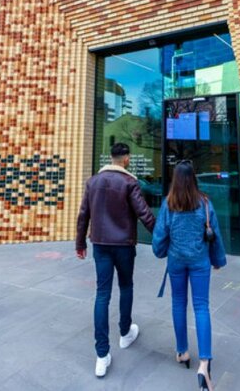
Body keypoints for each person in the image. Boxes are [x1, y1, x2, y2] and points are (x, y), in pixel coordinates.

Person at [76, 143, 156, 378]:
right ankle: (125, 333)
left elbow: (83, 215)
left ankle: (102, 356)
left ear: (111, 158)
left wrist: (80, 244)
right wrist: (162, 238)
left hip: (100, 245)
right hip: (123, 245)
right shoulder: (129, 182)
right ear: (126, 159)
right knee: (126, 286)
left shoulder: (93, 182)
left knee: (102, 295)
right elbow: (145, 214)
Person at [152, 160, 226, 391]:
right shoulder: (204, 202)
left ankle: (182, 351)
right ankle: (204, 363)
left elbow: (160, 235)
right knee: (202, 307)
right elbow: (214, 233)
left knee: (178, 304)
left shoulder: (169, 203)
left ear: (175, 179)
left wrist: (160, 250)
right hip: (199, 261)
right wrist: (218, 260)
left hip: (176, 261)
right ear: (194, 178)